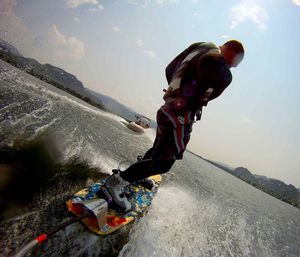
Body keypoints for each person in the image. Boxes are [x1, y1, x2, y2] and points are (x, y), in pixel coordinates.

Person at [100, 40, 245, 212]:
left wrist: (175, 91)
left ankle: (135, 175)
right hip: (179, 115)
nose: (231, 67)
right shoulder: (219, 65)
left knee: (158, 149)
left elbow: (170, 69)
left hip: (170, 107)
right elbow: (220, 77)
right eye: (233, 63)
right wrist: (187, 99)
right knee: (164, 163)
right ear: (230, 55)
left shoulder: (201, 45)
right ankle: (116, 183)